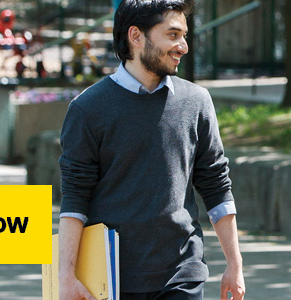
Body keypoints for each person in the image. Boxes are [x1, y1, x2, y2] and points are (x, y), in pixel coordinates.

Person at [56, 1, 245, 299]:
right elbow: (75, 196)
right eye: (172, 34)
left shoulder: (196, 102)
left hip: (183, 274)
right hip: (112, 279)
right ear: (136, 36)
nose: (182, 46)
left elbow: (216, 186)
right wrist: (65, 277)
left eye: (184, 35)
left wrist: (235, 264)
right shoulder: (87, 109)